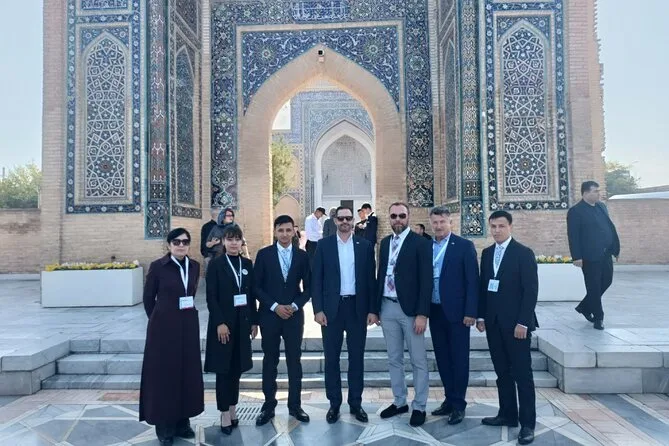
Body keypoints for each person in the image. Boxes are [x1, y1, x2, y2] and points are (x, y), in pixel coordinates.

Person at [476, 210, 538, 446]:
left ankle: (527, 424)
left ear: (510, 227)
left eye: (501, 226)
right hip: (493, 324)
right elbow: (484, 287)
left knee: (522, 374)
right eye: (493, 226)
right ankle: (507, 413)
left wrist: (523, 322)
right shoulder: (487, 253)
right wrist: (481, 316)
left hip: (516, 326)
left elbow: (530, 290)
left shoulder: (523, 253)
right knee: (502, 372)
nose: (496, 230)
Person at [312, 206, 377, 424]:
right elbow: (316, 279)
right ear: (335, 221)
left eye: (349, 218)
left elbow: (371, 280)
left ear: (353, 221)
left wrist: (372, 310)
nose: (345, 222)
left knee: (356, 358)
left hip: (357, 309)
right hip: (332, 310)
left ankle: (356, 403)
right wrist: (318, 309)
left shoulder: (364, 246)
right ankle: (334, 403)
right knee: (332, 359)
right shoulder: (324, 245)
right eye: (341, 218)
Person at [139, 228, 203, 446]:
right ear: (169, 245)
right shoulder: (158, 266)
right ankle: (164, 426)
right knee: (165, 375)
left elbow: (190, 293)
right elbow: (148, 298)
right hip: (164, 330)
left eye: (185, 242)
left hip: (188, 327)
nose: (181, 245)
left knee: (186, 373)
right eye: (176, 242)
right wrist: (159, 320)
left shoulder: (194, 266)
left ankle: (182, 421)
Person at [376, 202, 432, 427]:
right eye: (394, 216)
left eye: (401, 215)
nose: (397, 219)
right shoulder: (385, 243)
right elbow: (381, 274)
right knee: (394, 359)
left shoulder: (420, 243)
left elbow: (426, 280)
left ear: (408, 217)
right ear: (389, 218)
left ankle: (420, 406)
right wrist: (375, 308)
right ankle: (400, 401)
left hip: (410, 311)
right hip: (387, 307)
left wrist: (422, 314)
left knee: (418, 360)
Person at [254, 215, 312, 426]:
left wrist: (294, 306)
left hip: (294, 317)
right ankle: (268, 405)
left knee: (294, 361)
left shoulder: (302, 256)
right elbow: (256, 286)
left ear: (294, 232)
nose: (285, 234)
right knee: (270, 361)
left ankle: (295, 405)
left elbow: (309, 287)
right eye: (281, 230)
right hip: (270, 316)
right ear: (275, 232)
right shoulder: (264, 255)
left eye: (288, 230)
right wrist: (274, 306)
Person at [204, 224, 258, 435]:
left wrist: (253, 321)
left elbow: (251, 295)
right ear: (223, 241)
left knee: (236, 368)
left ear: (241, 241)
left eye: (237, 239)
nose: (234, 243)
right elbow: (211, 296)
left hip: (242, 324)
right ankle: (224, 413)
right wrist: (220, 322)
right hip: (223, 326)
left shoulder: (247, 263)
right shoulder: (216, 264)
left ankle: (233, 408)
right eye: (230, 239)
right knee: (223, 370)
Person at [428, 206, 479, 425]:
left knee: (459, 359)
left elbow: (472, 281)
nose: (439, 226)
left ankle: (459, 404)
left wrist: (471, 312)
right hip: (435, 311)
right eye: (435, 222)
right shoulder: (426, 246)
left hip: (458, 314)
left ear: (450, 222)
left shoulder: (464, 246)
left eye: (442, 222)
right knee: (442, 358)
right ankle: (449, 399)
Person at [567, 181, 620, 330]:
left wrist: (615, 249)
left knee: (607, 281)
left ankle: (584, 306)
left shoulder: (601, 207)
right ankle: (598, 318)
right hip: (589, 256)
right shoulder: (576, 211)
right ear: (585, 193)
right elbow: (573, 236)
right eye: (595, 191)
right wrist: (576, 256)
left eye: (598, 191)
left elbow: (609, 228)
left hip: (606, 253)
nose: (598, 193)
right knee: (594, 286)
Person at [200, 207, 220, 272]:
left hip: (222, 256)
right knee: (210, 275)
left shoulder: (223, 226)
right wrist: (206, 256)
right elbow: (203, 242)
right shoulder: (206, 226)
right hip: (210, 256)